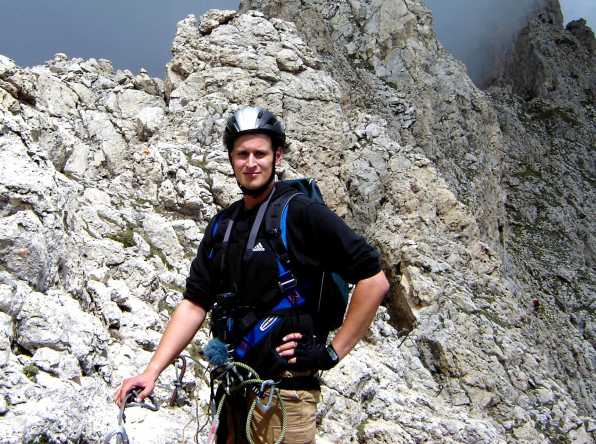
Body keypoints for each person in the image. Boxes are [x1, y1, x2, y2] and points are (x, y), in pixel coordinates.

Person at [114, 106, 389, 443]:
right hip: (233, 394)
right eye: (242, 154)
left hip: (285, 396)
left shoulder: (301, 213)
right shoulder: (222, 226)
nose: (251, 163)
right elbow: (194, 303)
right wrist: (151, 371)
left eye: (260, 153)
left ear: (277, 155)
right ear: (231, 158)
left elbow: (373, 280)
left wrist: (331, 352)